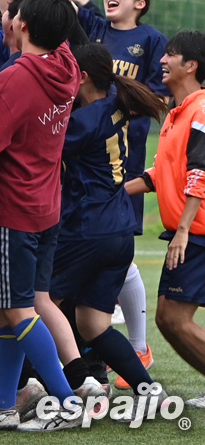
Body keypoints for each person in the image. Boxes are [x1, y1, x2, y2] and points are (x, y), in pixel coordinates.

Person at [0, 0, 83, 432]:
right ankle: (4, 403)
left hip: (12, 207)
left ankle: (68, 402)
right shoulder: (68, 67)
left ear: (22, 26)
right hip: (47, 205)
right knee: (13, 305)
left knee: (17, 310)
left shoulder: (16, 77)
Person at [50, 43, 168, 409]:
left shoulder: (84, 121)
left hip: (89, 228)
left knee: (35, 304)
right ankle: (151, 392)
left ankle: (49, 389)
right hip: (119, 227)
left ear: (81, 77)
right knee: (93, 323)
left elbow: (40, 149)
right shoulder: (114, 100)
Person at [75, 0, 169, 384]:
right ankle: (119, 351)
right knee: (111, 254)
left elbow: (158, 96)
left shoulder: (149, 40)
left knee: (119, 247)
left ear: (141, 3)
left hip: (122, 159)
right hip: (92, 159)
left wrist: (113, 110)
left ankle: (138, 345)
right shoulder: (94, 28)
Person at [126, 30, 205, 408]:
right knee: (169, 319)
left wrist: (184, 231)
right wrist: (113, 192)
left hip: (198, 233)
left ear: (190, 65)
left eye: (171, 55)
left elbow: (200, 172)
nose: (162, 59)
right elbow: (160, 175)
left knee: (172, 318)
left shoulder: (200, 110)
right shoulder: (177, 113)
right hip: (193, 231)